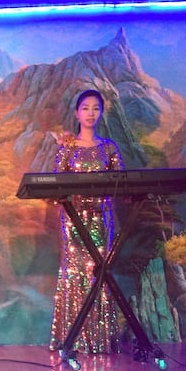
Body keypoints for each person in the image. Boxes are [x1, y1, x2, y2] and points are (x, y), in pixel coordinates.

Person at [49, 89, 124, 355]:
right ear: (76, 113)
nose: (90, 113)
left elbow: (122, 182)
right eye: (85, 108)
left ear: (101, 113)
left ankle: (99, 339)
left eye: (96, 108)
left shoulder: (110, 148)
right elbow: (57, 184)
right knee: (75, 273)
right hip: (73, 218)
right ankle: (73, 339)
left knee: (98, 272)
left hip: (102, 218)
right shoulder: (67, 148)